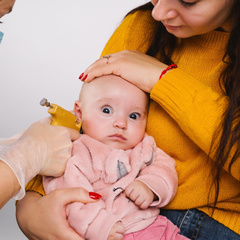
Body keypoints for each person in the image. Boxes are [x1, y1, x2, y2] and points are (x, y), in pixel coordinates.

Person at [16, 0, 240, 239]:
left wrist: (163, 80)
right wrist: (30, 203)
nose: (158, 12)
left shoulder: (149, 152)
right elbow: (86, 129)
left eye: (188, 1)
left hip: (218, 224)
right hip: (109, 215)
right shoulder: (141, 27)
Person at [42, 75, 187, 240]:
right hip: (111, 234)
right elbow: (69, 196)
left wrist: (151, 186)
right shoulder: (75, 152)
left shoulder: (143, 146)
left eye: (133, 116)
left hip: (157, 228)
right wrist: (100, 226)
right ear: (79, 112)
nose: (121, 123)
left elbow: (165, 167)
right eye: (106, 110)